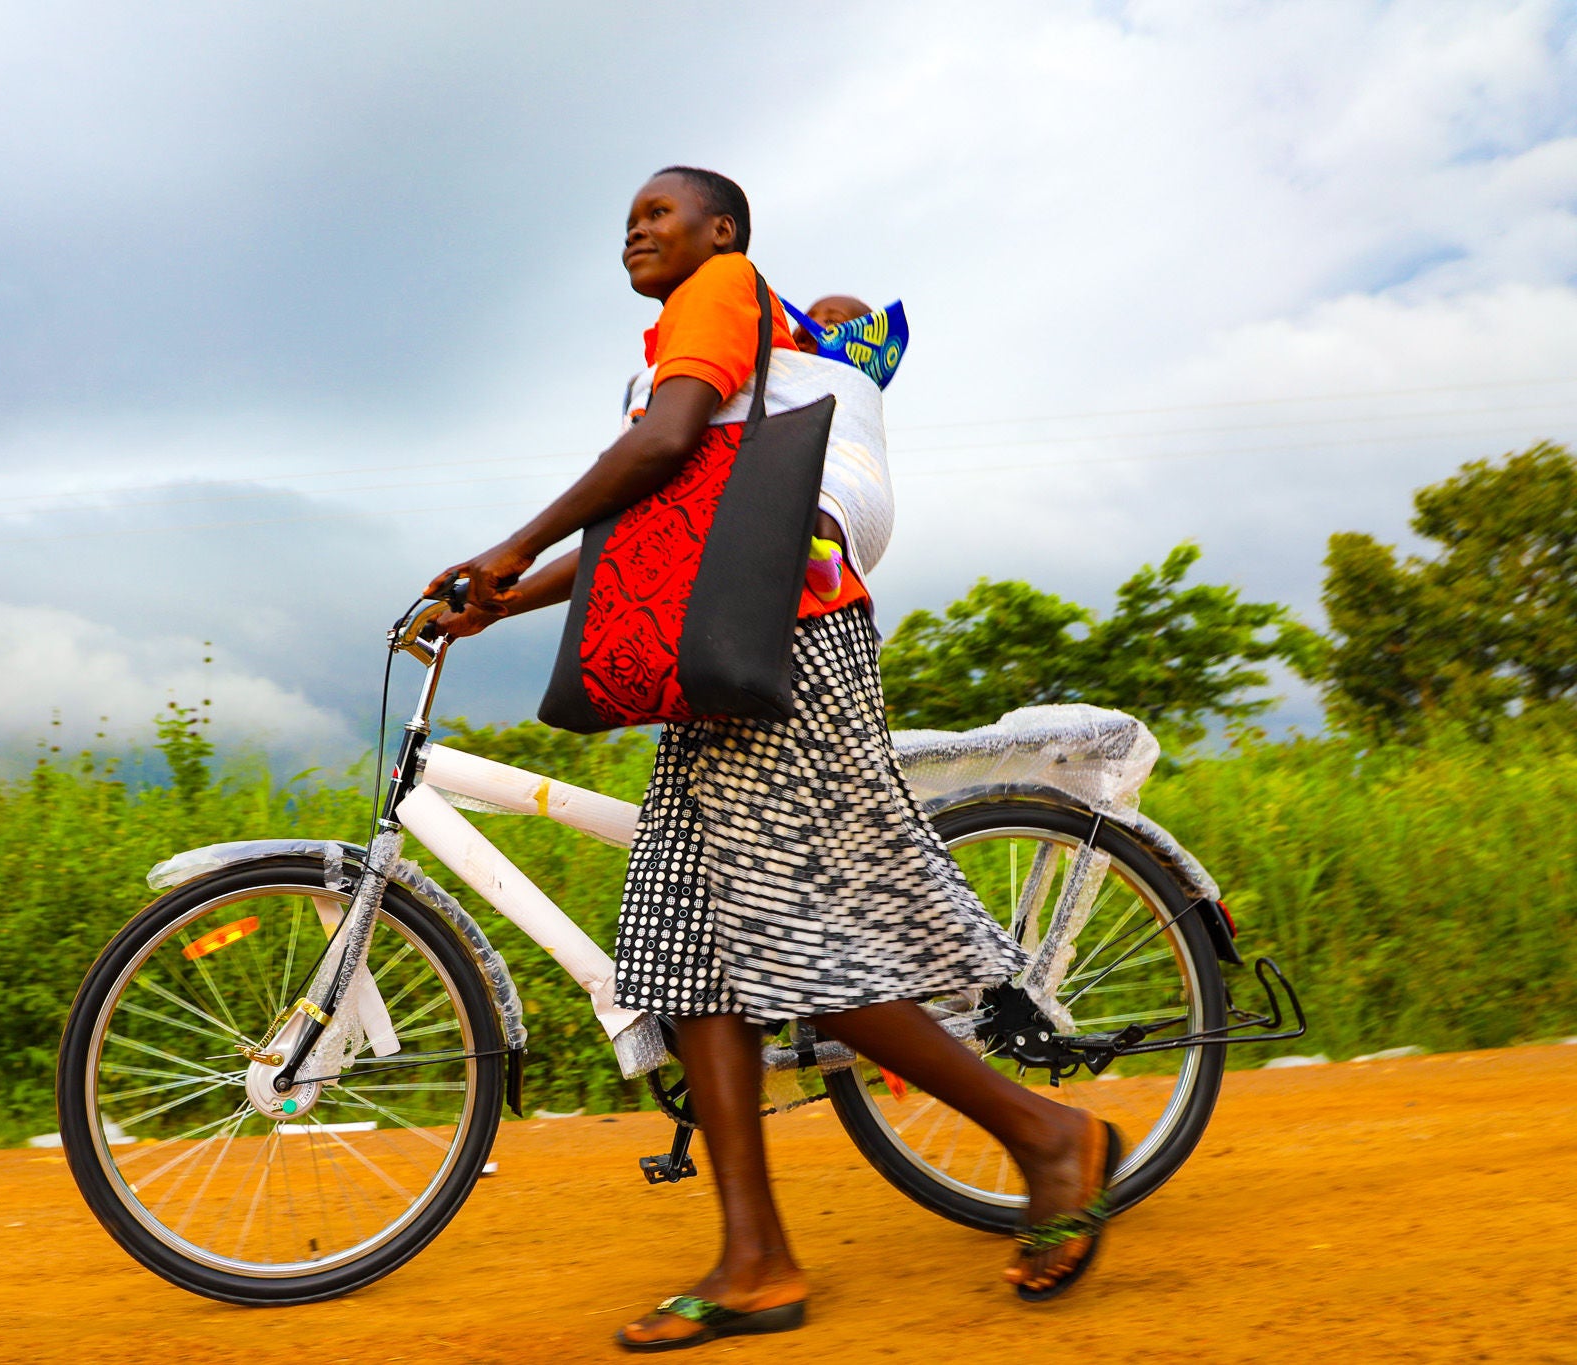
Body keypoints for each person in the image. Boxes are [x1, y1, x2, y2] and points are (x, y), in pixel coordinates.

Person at [425, 166, 1120, 1351]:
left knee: (796, 936)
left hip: (788, 650)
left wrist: (510, 545)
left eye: (658, 212)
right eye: (625, 217)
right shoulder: (673, 351)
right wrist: (511, 598)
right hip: (728, 666)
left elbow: (665, 447)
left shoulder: (721, 292)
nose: (635, 228)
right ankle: (756, 1261)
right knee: (692, 956)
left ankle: (1046, 1136)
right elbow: (659, 518)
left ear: (721, 230)